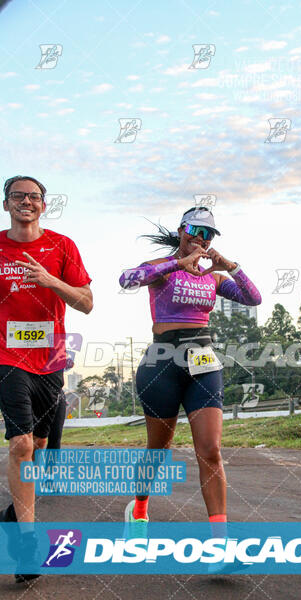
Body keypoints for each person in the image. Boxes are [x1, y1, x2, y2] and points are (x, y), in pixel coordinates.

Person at [119, 206, 261, 572]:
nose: (202, 238)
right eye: (196, 230)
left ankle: (219, 550)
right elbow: (126, 279)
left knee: (210, 450)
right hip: (161, 364)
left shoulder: (212, 278)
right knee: (158, 450)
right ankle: (137, 512)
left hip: (203, 364)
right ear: (182, 230)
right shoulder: (160, 268)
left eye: (209, 234)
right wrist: (174, 266)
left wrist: (230, 265)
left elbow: (253, 298)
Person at [0, 175, 93, 583]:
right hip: (7, 358)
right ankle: (27, 548)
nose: (26, 201)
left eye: (34, 197)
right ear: (6, 204)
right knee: (20, 444)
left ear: (44, 205)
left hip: (50, 364)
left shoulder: (62, 246)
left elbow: (87, 303)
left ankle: (11, 517)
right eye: (18, 196)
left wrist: (52, 280)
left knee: (36, 449)